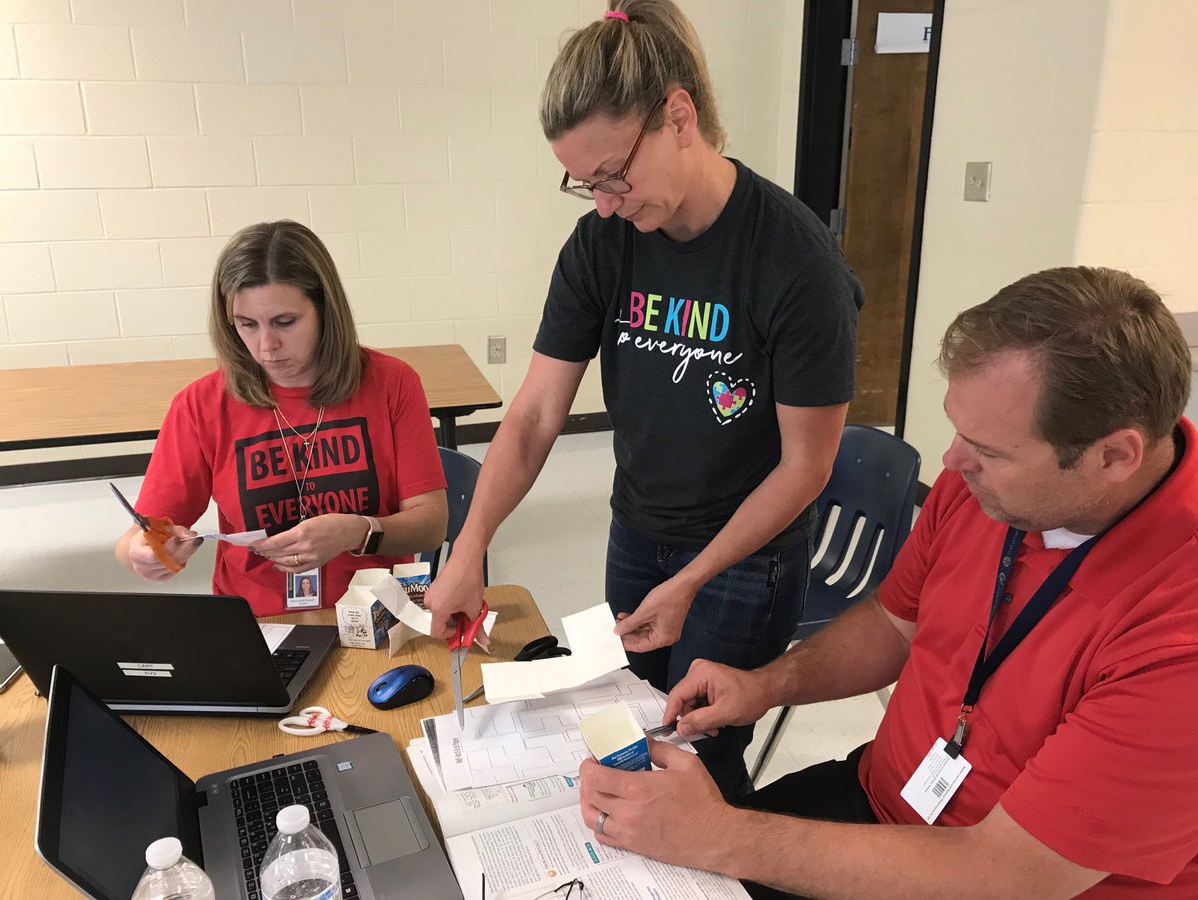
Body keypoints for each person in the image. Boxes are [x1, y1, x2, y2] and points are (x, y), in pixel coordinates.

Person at [576, 266, 1198, 898]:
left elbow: (1010, 875)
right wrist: (766, 685)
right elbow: (893, 624)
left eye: (991, 451)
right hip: (883, 800)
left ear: (1115, 456)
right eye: (958, 429)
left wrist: (717, 834)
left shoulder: (1177, 636)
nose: (952, 462)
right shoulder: (987, 490)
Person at [425, 0, 863, 801]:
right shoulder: (604, 242)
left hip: (745, 559)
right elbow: (534, 415)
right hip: (638, 530)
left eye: (613, 175)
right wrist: (468, 547)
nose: (604, 202)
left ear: (679, 117)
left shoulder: (795, 263)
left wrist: (694, 577)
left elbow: (805, 467)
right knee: (630, 734)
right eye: (584, 184)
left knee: (698, 764)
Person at [116, 221, 448, 617]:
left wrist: (357, 531)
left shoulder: (392, 383)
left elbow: (431, 525)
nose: (265, 347)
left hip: (376, 613)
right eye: (247, 325)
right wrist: (141, 552)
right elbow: (138, 537)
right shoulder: (199, 405)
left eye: (285, 322)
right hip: (259, 620)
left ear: (324, 311)